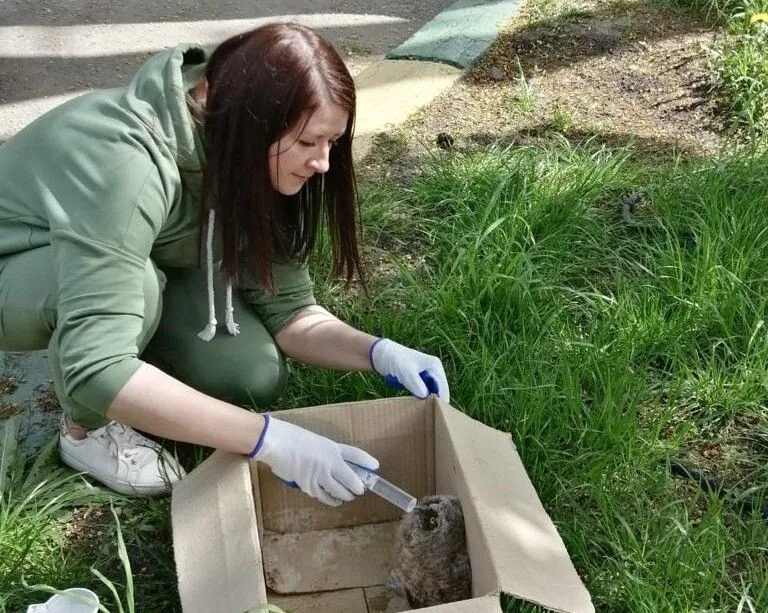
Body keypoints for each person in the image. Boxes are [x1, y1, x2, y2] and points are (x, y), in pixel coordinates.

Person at [0, 23, 449, 507]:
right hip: (18, 265)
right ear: (248, 123)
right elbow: (98, 368)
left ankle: (131, 349)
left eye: (332, 143)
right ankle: (85, 434)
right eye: (307, 143)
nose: (322, 163)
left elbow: (292, 311)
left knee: (249, 374)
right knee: (138, 299)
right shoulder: (126, 166)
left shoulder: (247, 152)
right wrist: (269, 440)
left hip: (121, 251)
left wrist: (378, 352)